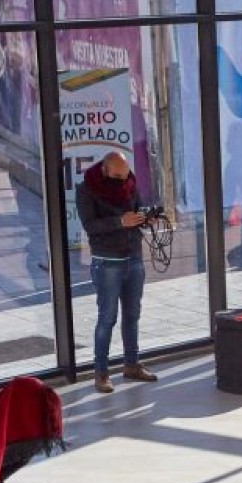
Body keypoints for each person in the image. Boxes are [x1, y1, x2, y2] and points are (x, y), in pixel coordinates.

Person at [76, 151, 156, 391]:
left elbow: (138, 207)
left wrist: (145, 218)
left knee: (132, 315)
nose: (122, 180)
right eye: (117, 176)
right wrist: (120, 221)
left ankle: (131, 364)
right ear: (104, 170)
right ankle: (101, 372)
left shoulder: (129, 181)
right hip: (107, 260)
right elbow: (90, 226)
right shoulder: (87, 189)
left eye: (125, 175)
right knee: (107, 317)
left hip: (133, 256)